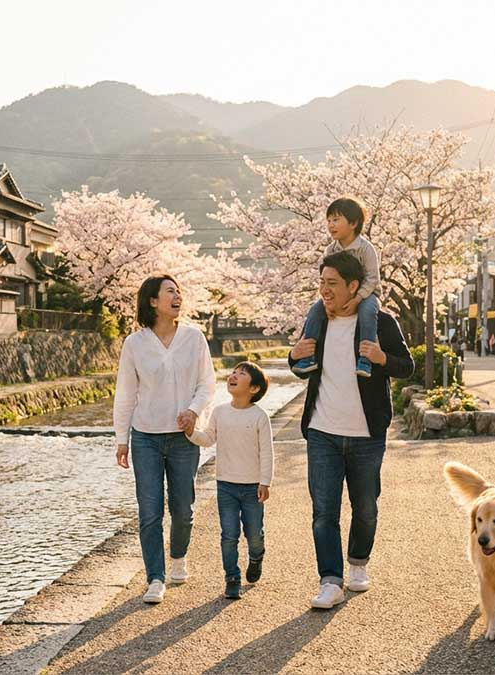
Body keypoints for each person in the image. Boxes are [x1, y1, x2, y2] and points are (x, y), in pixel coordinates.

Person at [287, 252, 414, 609]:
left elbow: (407, 366)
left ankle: (358, 562)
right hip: (322, 430)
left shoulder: (381, 323)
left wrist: (381, 360)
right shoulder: (318, 322)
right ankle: (330, 580)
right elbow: (300, 365)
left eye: (332, 284)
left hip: (366, 434)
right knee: (324, 511)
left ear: (353, 287)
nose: (324, 291)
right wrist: (293, 355)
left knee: (366, 506)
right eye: (321, 283)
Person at [113, 274, 217, 604]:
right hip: (145, 437)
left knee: (183, 509)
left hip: (183, 438)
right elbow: (126, 394)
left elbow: (207, 384)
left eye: (179, 291)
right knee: (150, 511)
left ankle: (178, 558)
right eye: (170, 291)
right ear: (153, 301)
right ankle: (154, 577)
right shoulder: (135, 344)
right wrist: (122, 438)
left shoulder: (194, 337)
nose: (177, 296)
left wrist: (193, 410)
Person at [187, 362, 274, 600]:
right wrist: (191, 432)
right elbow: (207, 438)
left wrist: (265, 482)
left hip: (252, 485)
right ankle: (232, 578)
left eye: (241, 374)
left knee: (254, 533)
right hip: (225, 484)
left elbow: (267, 452)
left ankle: (256, 556)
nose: (233, 376)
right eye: (233, 372)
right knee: (229, 534)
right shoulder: (220, 412)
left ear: (254, 388)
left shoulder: (259, 417)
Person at [292, 197, 383, 379]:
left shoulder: (366, 249)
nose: (331, 225)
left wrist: (357, 298)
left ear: (354, 223)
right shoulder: (330, 250)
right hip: (338, 296)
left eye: (336, 220)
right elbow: (327, 278)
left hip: (366, 294)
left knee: (367, 312)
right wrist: (328, 303)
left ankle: (365, 359)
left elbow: (373, 278)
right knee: (315, 311)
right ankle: (308, 356)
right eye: (329, 221)